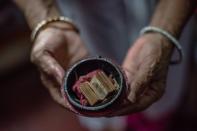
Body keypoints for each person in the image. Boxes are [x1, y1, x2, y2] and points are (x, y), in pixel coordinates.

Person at [14, 0, 197, 130]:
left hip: (165, 9)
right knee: (104, 120)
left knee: (157, 95)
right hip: (82, 15)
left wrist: (164, 34)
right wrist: (46, 21)